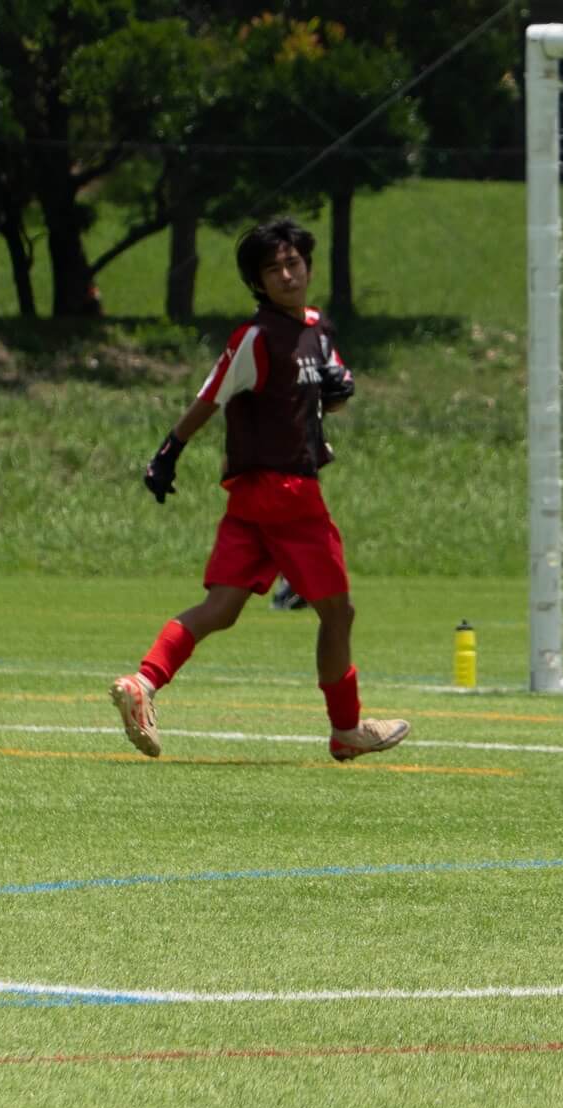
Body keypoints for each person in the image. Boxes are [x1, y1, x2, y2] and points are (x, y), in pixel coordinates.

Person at [109, 218, 408, 763]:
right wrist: (169, 451)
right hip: (286, 490)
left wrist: (341, 390)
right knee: (337, 613)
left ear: (308, 265)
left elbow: (329, 392)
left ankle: (142, 683)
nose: (287, 275)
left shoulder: (317, 328)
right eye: (273, 269)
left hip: (254, 498)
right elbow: (211, 397)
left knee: (221, 607)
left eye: (293, 263)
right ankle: (346, 730)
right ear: (258, 283)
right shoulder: (256, 337)